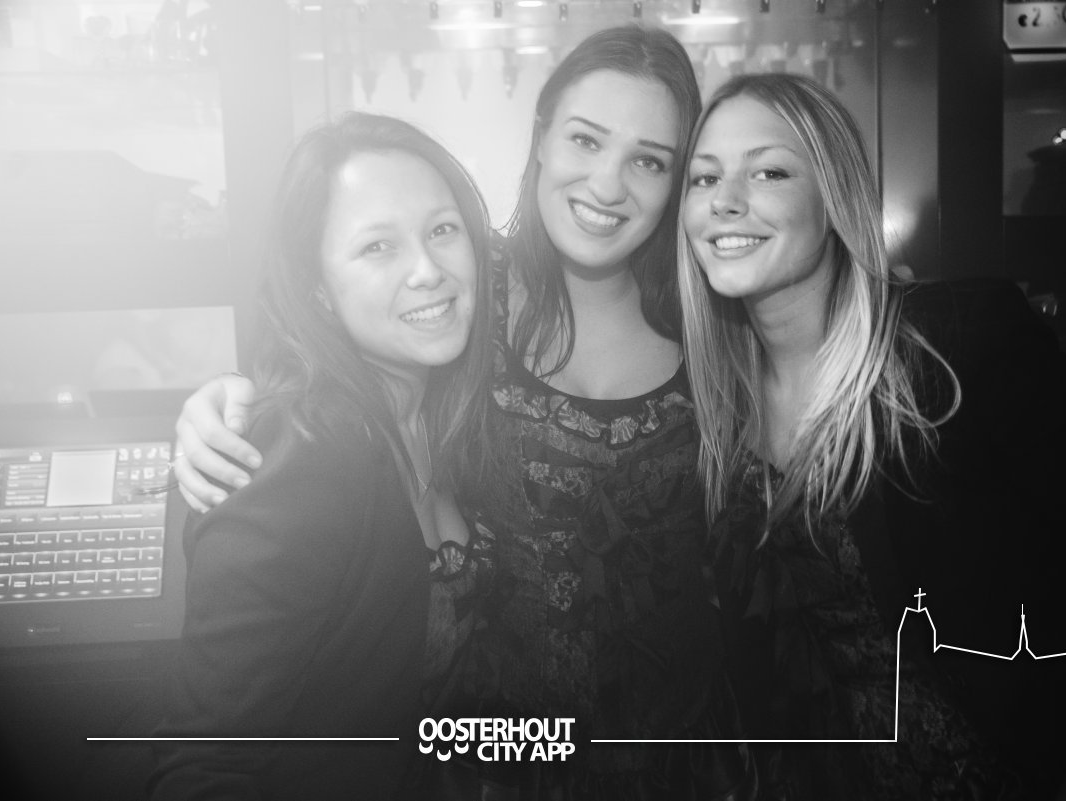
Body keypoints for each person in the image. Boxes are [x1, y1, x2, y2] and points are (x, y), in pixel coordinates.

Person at [168, 26, 752, 799]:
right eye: (585, 139)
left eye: (649, 160)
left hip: (673, 761)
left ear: (677, 182)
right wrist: (229, 398)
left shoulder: (714, 327)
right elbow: (334, 347)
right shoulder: (470, 301)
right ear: (541, 138)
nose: (608, 184)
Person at [678, 72, 1066, 800]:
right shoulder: (716, 404)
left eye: (769, 171)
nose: (724, 200)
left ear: (834, 197)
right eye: (704, 178)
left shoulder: (952, 346)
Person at [147, 112, 496, 800]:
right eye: (377, 247)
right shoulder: (296, 463)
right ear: (317, 289)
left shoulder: (450, 414)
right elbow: (202, 766)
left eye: (442, 230)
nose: (428, 270)